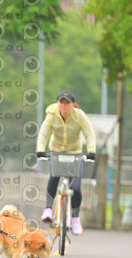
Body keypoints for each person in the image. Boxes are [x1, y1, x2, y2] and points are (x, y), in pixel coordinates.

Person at [36, 90, 96, 235]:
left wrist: (91, 151)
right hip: (56, 151)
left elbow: (89, 133)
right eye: (61, 102)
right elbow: (44, 133)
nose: (64, 105)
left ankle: (75, 219)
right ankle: (48, 209)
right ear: (57, 103)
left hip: (74, 153)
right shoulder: (51, 114)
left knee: (76, 187)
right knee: (54, 176)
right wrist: (40, 149)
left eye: (67, 103)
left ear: (72, 104)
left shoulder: (79, 116)